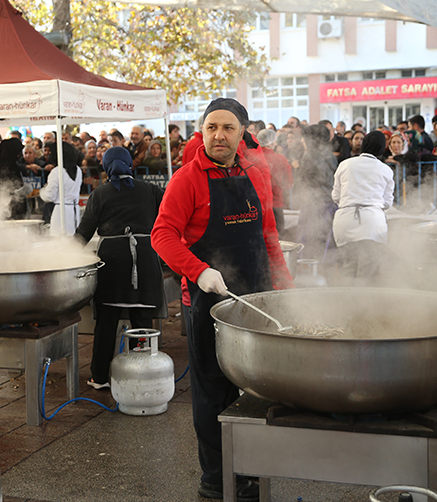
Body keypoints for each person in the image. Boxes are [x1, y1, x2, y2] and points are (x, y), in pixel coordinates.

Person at [151, 98, 292, 502]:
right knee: (213, 389)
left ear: (242, 133)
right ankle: (217, 477)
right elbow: (162, 235)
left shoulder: (256, 174)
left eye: (228, 128)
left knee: (259, 387)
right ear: (203, 131)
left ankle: (252, 467)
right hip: (208, 302)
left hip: (257, 295)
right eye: (211, 127)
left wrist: (286, 288)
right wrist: (198, 270)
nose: (218, 135)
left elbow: (268, 236)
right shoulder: (187, 179)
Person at [75, 147, 166, 389]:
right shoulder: (151, 190)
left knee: (106, 323)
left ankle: (99, 378)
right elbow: (169, 217)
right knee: (142, 323)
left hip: (112, 264)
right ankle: (141, 376)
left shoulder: (100, 194)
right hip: (145, 261)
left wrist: (64, 256)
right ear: (130, 164)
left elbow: (83, 233)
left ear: (106, 167)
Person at [332, 131, 394, 285]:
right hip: (372, 223)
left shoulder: (345, 164)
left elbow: (336, 196)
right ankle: (364, 300)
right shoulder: (385, 169)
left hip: (345, 221)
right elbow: (387, 203)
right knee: (368, 273)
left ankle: (345, 299)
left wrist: (351, 201)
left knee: (348, 268)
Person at [294, 124, 338, 260]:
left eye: (305, 137)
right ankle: (324, 268)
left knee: (308, 239)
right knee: (325, 240)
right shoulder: (330, 155)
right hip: (329, 203)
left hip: (314, 204)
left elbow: (302, 180)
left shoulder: (310, 155)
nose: (302, 141)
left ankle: (307, 267)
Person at [40, 142, 82, 236]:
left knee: (59, 240)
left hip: (61, 212)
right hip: (74, 210)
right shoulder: (78, 170)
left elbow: (50, 196)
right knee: (73, 239)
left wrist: (43, 191)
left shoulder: (57, 171)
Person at [256, 129, 293, 235]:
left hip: (256, 207)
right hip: (276, 205)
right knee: (277, 238)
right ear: (271, 143)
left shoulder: (251, 158)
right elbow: (288, 183)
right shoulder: (281, 159)